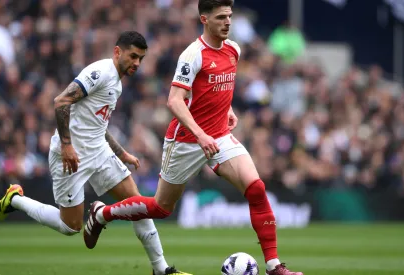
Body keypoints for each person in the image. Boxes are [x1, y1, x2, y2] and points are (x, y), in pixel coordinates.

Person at [84, 2, 303, 275]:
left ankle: (274, 267)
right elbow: (175, 101)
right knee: (162, 208)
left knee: (256, 188)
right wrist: (200, 135)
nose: (227, 22)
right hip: (186, 140)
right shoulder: (193, 55)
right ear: (204, 19)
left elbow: (218, 87)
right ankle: (102, 214)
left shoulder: (234, 49)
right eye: (221, 17)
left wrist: (229, 110)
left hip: (219, 136)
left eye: (230, 17)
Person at [0, 31, 191, 275]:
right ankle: (15, 199)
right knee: (70, 227)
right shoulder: (100, 72)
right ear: (117, 52)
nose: (137, 63)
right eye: (133, 56)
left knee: (137, 203)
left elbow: (99, 126)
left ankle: (161, 269)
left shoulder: (117, 84)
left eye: (141, 58)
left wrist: (122, 154)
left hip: (99, 152)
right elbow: (61, 101)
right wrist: (67, 145)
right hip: (71, 154)